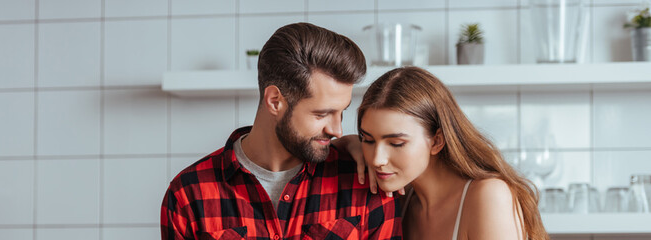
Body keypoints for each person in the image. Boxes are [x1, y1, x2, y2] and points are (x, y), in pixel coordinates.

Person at [160, 22, 402, 240]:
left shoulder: (363, 185)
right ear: (275, 101)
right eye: (321, 114)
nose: (337, 130)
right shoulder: (187, 195)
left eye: (342, 112)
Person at [352, 66, 548, 239]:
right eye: (368, 140)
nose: (377, 159)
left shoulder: (488, 196)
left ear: (437, 141)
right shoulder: (399, 201)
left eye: (396, 143)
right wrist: (348, 144)